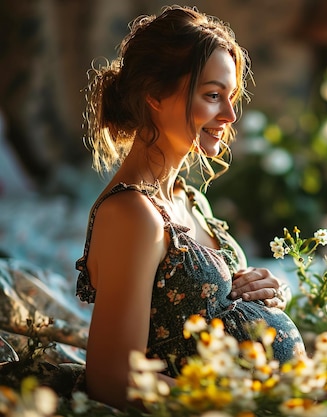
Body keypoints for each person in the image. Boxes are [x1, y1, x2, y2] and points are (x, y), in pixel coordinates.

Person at [74, 5, 305, 410]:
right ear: (155, 96)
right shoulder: (132, 215)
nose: (230, 115)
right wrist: (253, 402)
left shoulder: (188, 199)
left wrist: (267, 294)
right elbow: (112, 379)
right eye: (213, 96)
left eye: (230, 97)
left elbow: (207, 308)